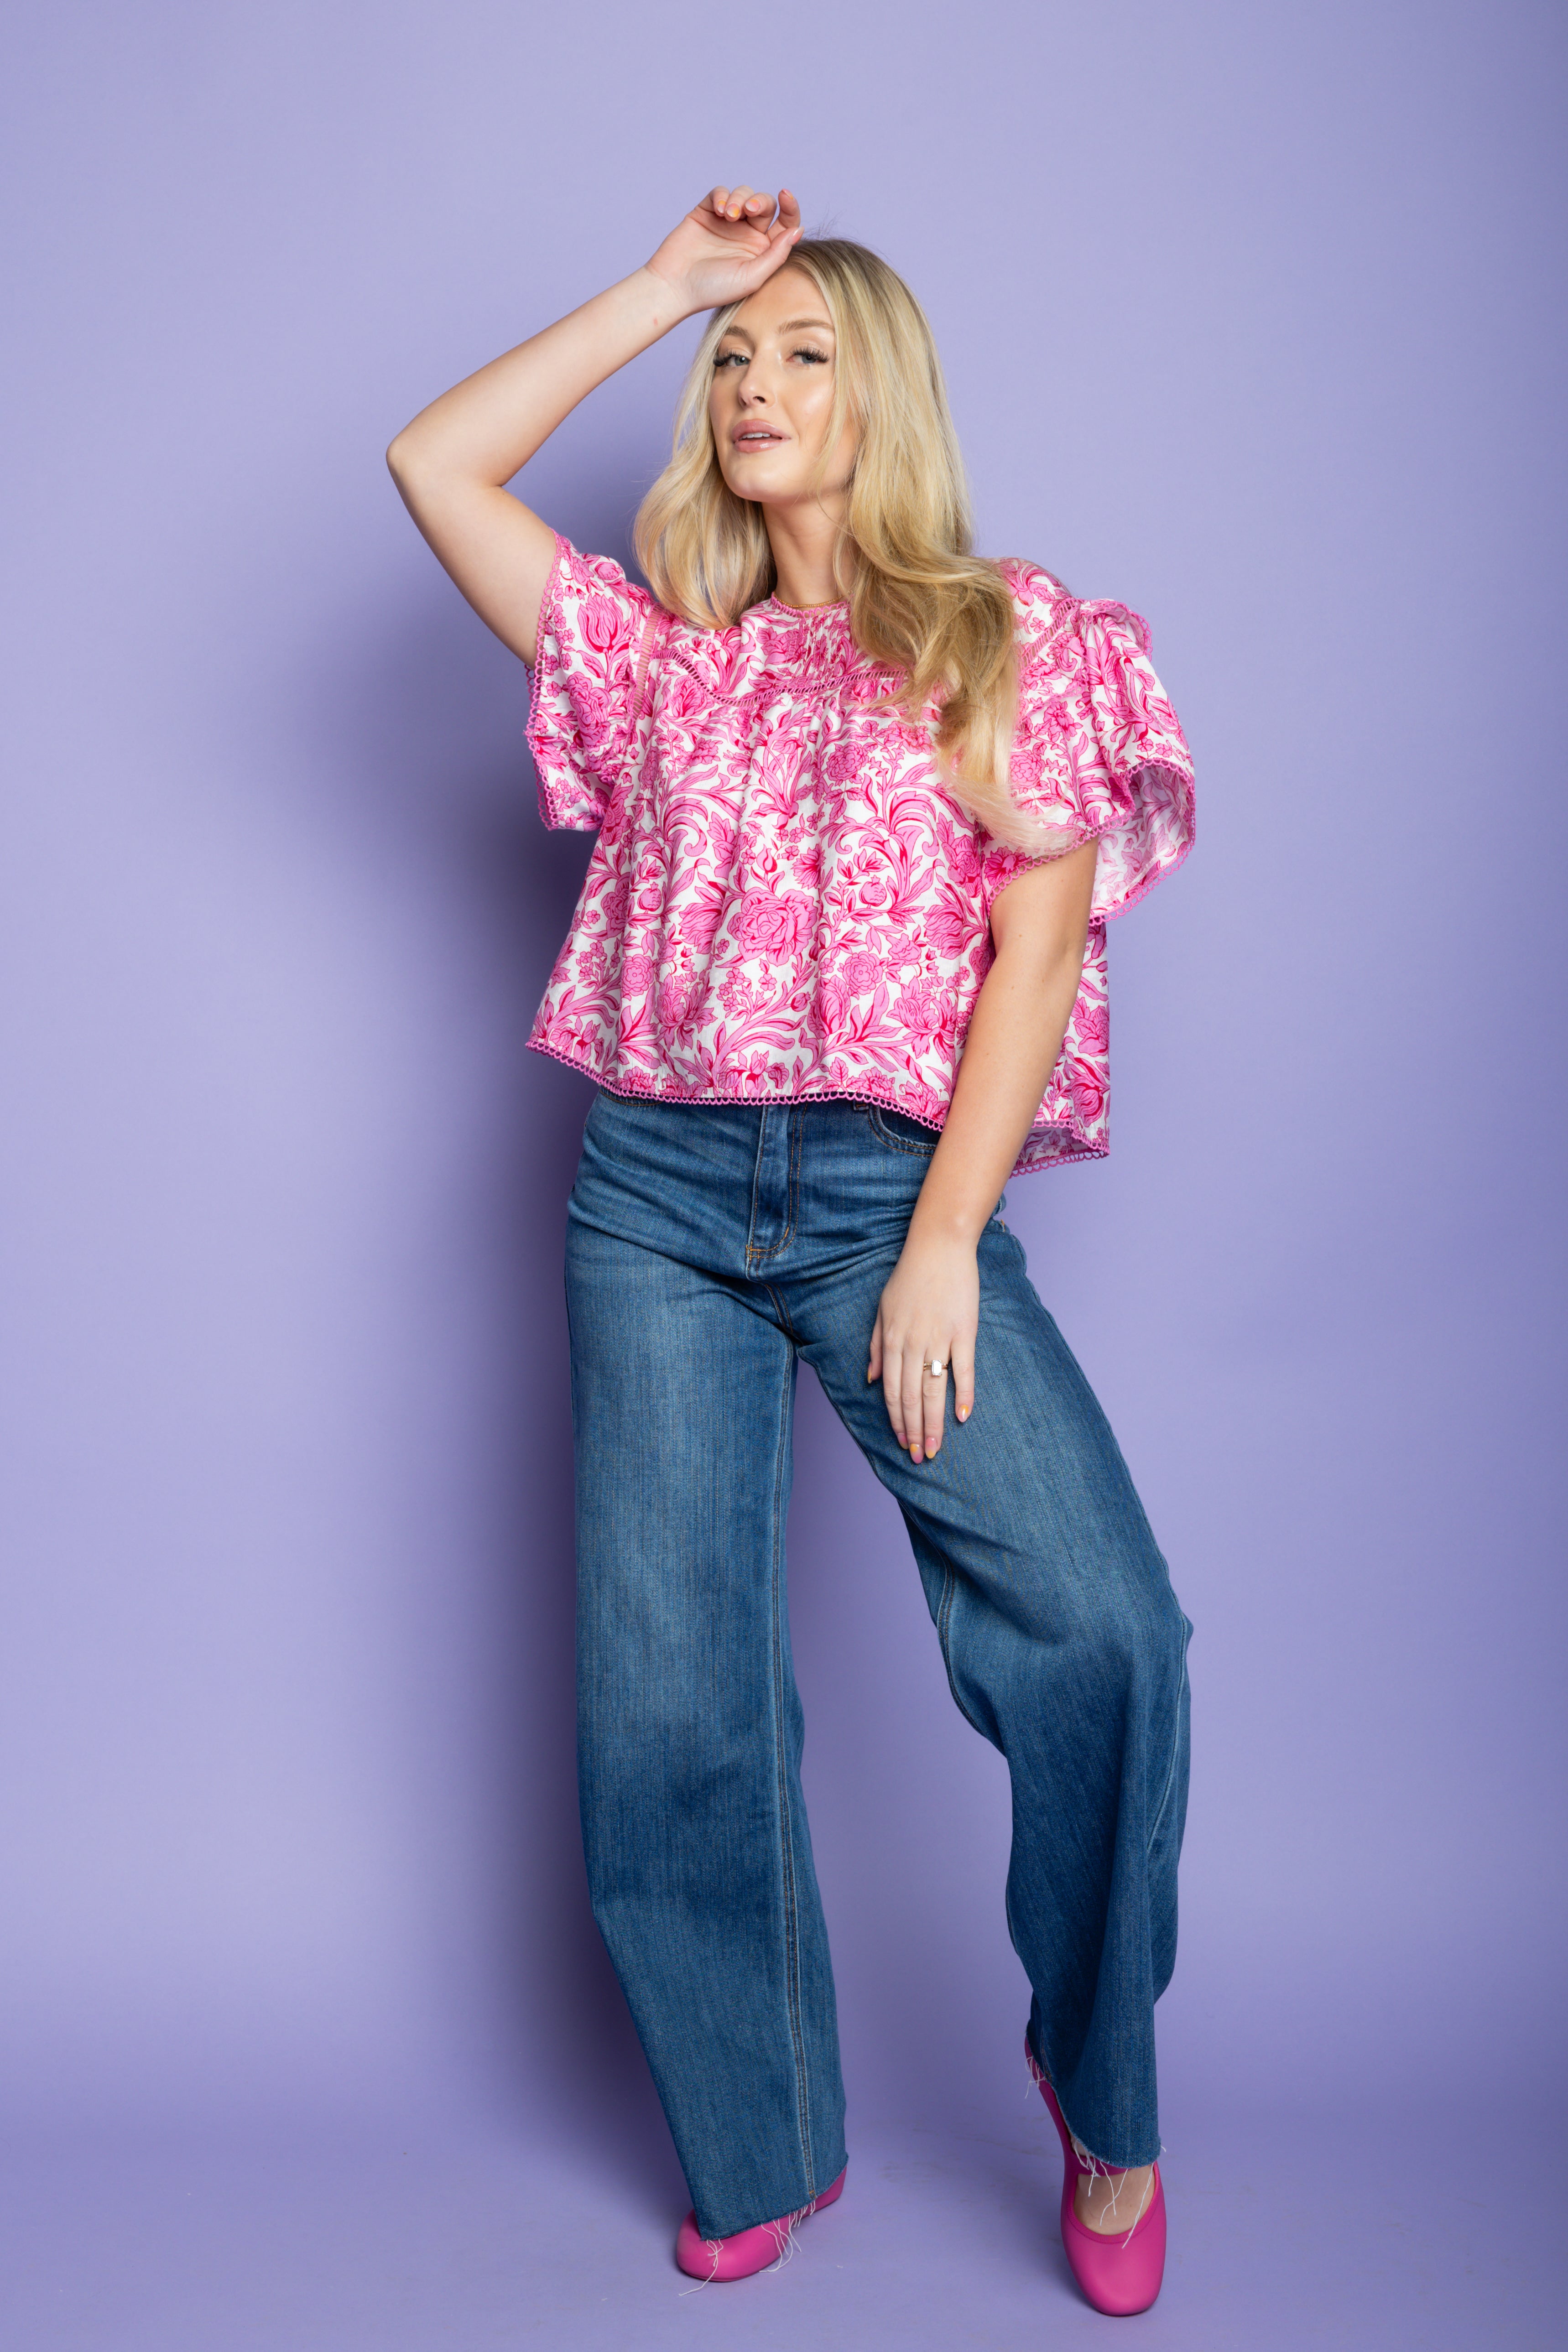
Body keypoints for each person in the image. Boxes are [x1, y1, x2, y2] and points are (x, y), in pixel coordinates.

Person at [388, 183, 1195, 2316]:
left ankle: (1100, 2094)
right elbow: (431, 462)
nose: (753, 384)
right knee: (670, 1712)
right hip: (651, 1196)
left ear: (886, 396)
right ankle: (760, 2135)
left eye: (801, 351)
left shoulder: (1004, 634)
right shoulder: (655, 666)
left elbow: (1031, 956)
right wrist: (667, 283)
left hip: (876, 1200)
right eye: (731, 364)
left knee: (1101, 1631)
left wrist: (940, 1243)